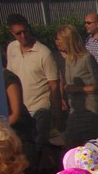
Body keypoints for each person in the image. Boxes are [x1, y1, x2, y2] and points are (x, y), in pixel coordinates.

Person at [6, 13, 61, 154]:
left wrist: (57, 113)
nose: (23, 36)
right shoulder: (12, 48)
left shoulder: (43, 53)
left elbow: (54, 85)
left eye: (26, 31)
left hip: (40, 108)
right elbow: (10, 77)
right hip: (20, 109)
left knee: (38, 147)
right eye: (18, 33)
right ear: (11, 33)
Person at [55, 24, 98, 147]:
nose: (57, 42)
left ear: (68, 40)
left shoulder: (86, 58)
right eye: (56, 39)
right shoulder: (67, 59)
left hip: (89, 114)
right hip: (75, 111)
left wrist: (77, 89)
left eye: (60, 39)